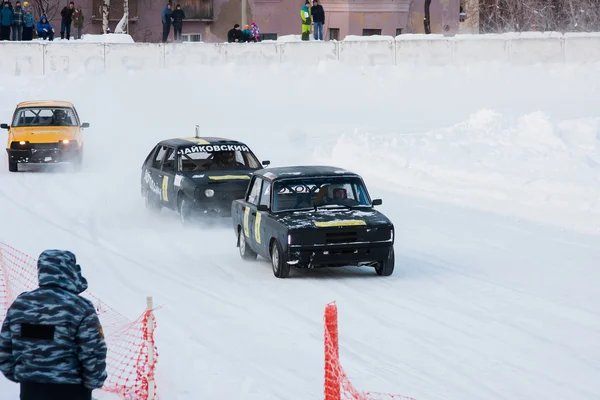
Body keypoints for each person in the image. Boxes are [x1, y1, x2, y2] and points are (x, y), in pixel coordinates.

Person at [0, 249, 107, 400]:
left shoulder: (20, 304)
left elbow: (4, 348)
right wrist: (93, 383)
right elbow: (93, 352)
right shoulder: (81, 307)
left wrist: (23, 377)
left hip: (30, 391)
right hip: (73, 392)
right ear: (69, 270)